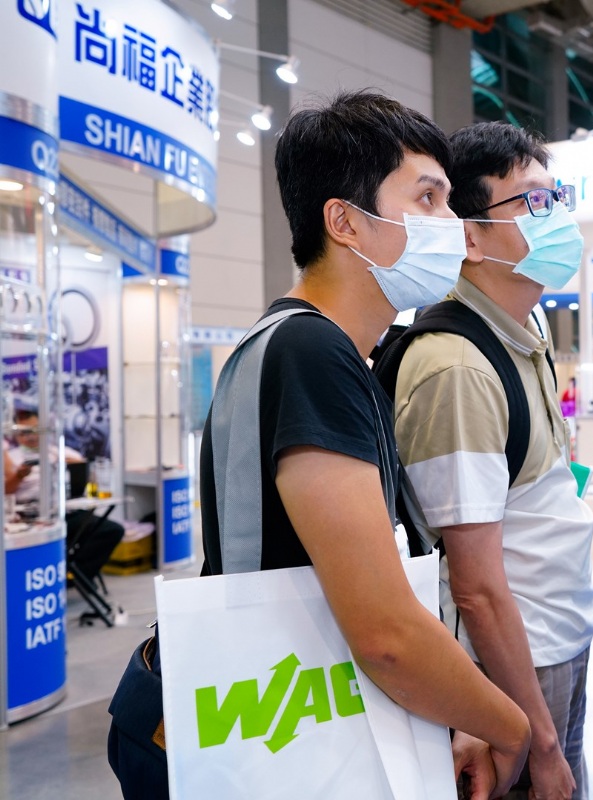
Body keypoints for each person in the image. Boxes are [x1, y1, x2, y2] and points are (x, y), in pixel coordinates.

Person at [196, 92, 530, 797]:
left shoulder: (314, 348)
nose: (452, 223)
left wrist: (453, 709)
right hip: (287, 732)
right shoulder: (311, 354)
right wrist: (514, 726)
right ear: (344, 221)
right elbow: (385, 634)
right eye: (429, 198)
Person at [392, 121, 593, 800]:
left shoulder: (523, 331)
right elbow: (475, 589)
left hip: (560, 637)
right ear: (470, 238)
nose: (556, 215)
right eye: (533, 201)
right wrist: (538, 741)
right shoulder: (458, 367)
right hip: (514, 670)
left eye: (557, 197)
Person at [5, 408, 123, 584]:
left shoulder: (57, 451)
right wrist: (19, 475)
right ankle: (71, 575)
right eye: (25, 432)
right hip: (31, 516)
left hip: (65, 511)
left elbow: (84, 466)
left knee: (111, 530)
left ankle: (75, 576)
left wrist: (69, 464)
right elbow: (6, 490)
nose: (31, 437)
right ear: (17, 434)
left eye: (35, 430)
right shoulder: (11, 458)